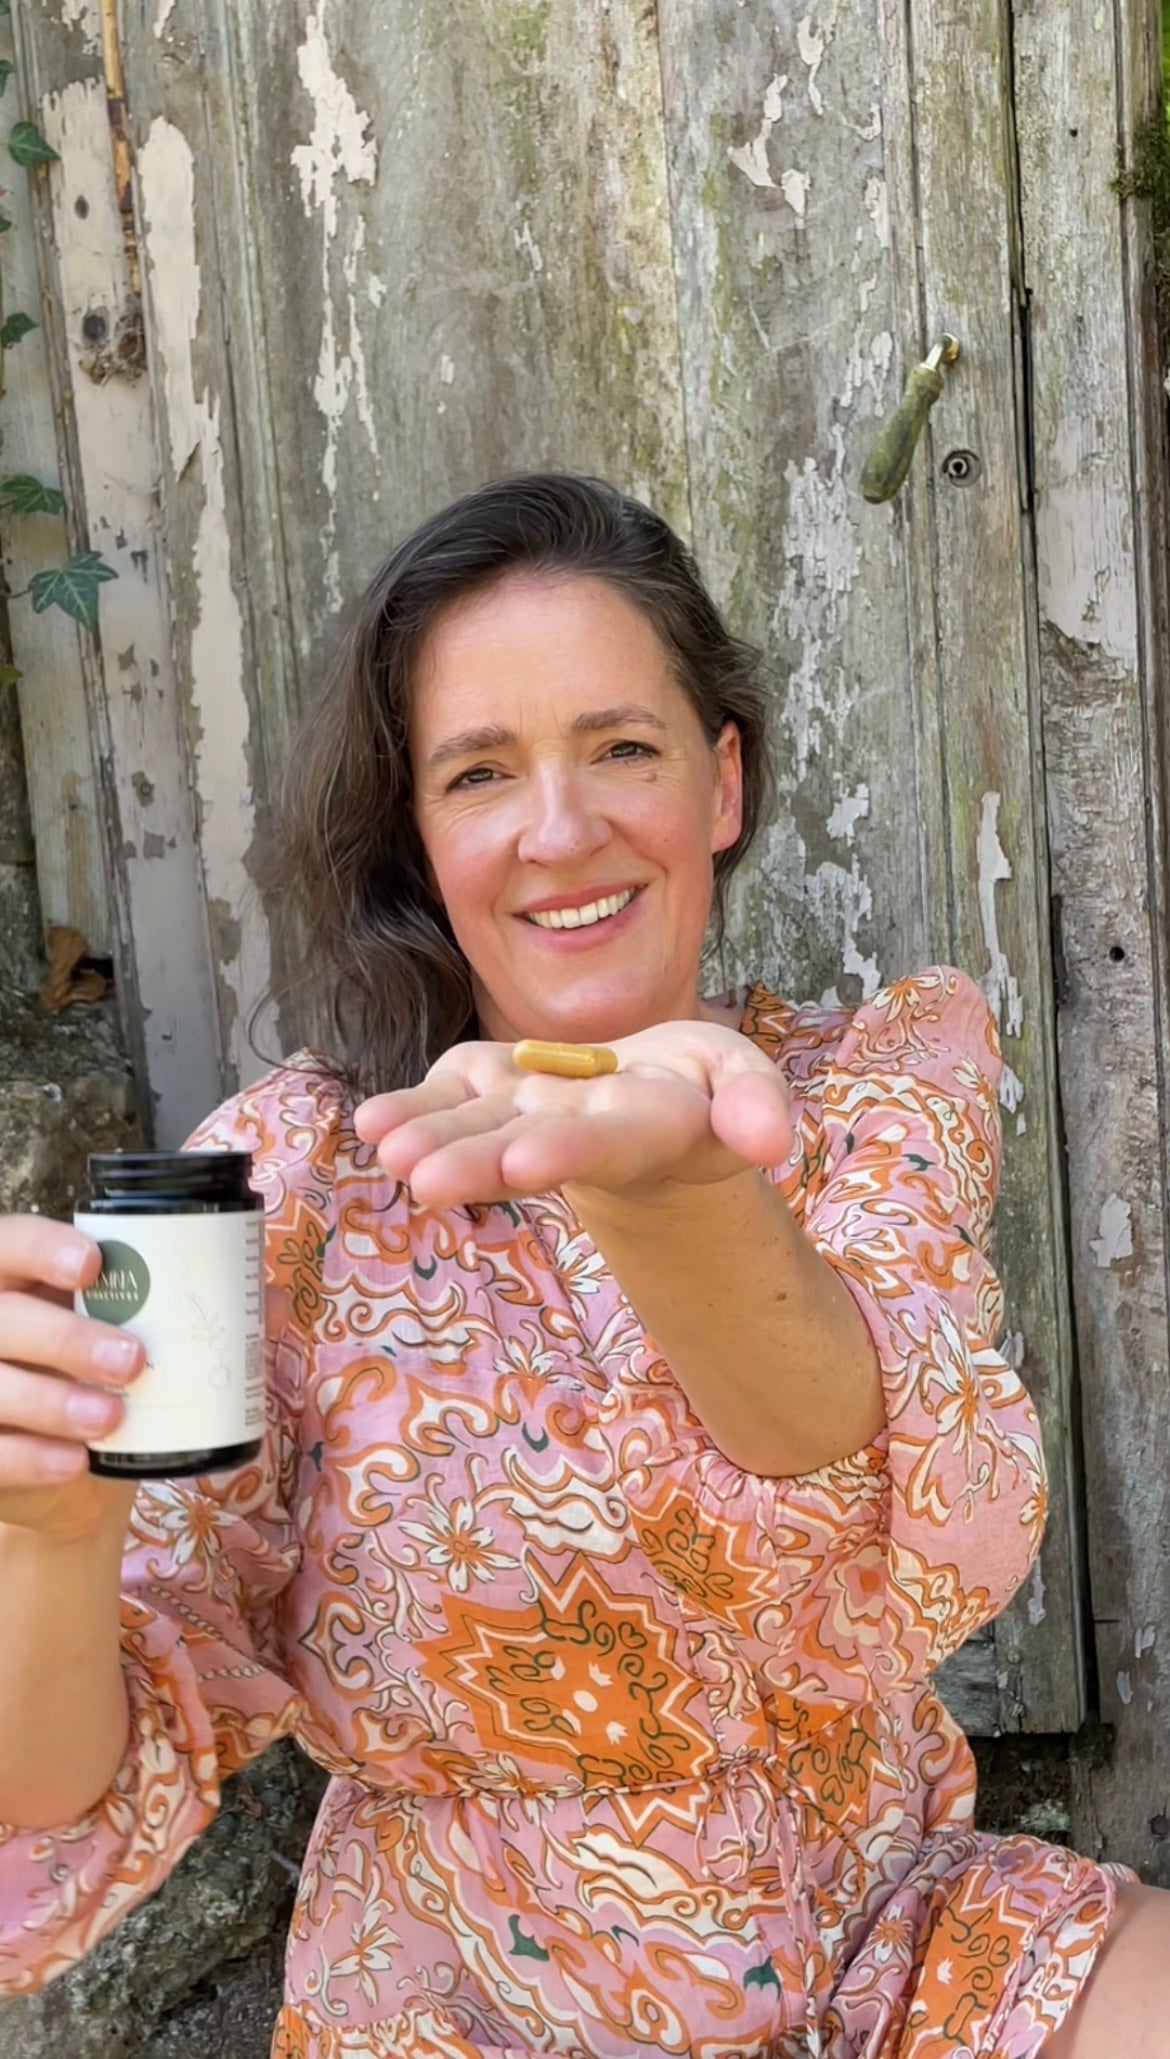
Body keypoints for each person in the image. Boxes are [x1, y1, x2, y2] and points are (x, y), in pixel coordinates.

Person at [0, 474, 1166, 2058]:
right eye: (479, 772)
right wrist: (50, 1538)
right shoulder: (296, 1185)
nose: (559, 832)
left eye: (620, 747)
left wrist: (677, 1193)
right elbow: (58, 1791)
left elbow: (906, 1501)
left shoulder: (871, 1086)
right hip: (464, 2006)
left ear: (720, 783)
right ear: (418, 835)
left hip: (882, 1950)